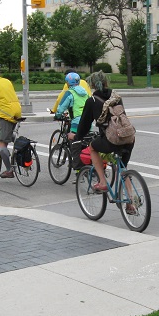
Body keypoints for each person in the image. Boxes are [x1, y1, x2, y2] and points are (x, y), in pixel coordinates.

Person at [75, 70, 136, 213]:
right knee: (123, 170)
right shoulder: (116, 97)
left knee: (93, 148)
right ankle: (131, 203)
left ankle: (102, 182)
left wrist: (77, 137)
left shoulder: (92, 101)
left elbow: (84, 124)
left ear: (92, 85)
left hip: (112, 139)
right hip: (128, 137)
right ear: (106, 82)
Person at [53, 72, 90, 141]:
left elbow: (62, 107)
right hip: (87, 121)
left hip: (77, 121)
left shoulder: (69, 93)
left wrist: (57, 115)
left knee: (73, 142)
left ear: (68, 83)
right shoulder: (85, 92)